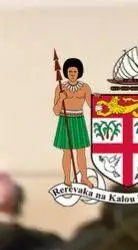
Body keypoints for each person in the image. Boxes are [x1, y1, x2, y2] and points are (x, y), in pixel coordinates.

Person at [52, 57, 91, 189]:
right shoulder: (60, 88)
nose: (73, 74)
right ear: (66, 72)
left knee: (81, 152)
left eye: (75, 71)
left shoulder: (85, 87)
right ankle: (67, 178)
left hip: (79, 120)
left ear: (79, 72)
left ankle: (84, 178)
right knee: (67, 152)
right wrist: (60, 99)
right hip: (65, 120)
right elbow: (56, 111)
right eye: (70, 72)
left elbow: (93, 105)